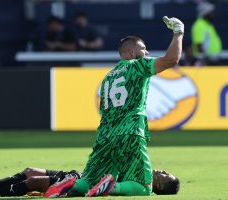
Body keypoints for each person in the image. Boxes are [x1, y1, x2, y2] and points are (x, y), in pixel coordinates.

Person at [44, 16, 184, 198]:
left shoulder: (108, 77)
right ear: (132, 53)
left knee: (89, 182)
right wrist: (178, 32)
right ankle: (111, 187)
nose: (147, 52)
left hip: (104, 136)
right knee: (143, 186)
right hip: (129, 132)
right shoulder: (137, 66)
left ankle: (72, 183)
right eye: (143, 49)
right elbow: (171, 59)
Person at [0, 166, 179, 197]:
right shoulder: (141, 165)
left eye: (167, 175)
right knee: (29, 171)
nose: (163, 170)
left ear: (162, 185)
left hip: (79, 183)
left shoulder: (142, 187)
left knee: (35, 181)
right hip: (81, 173)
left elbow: (111, 186)